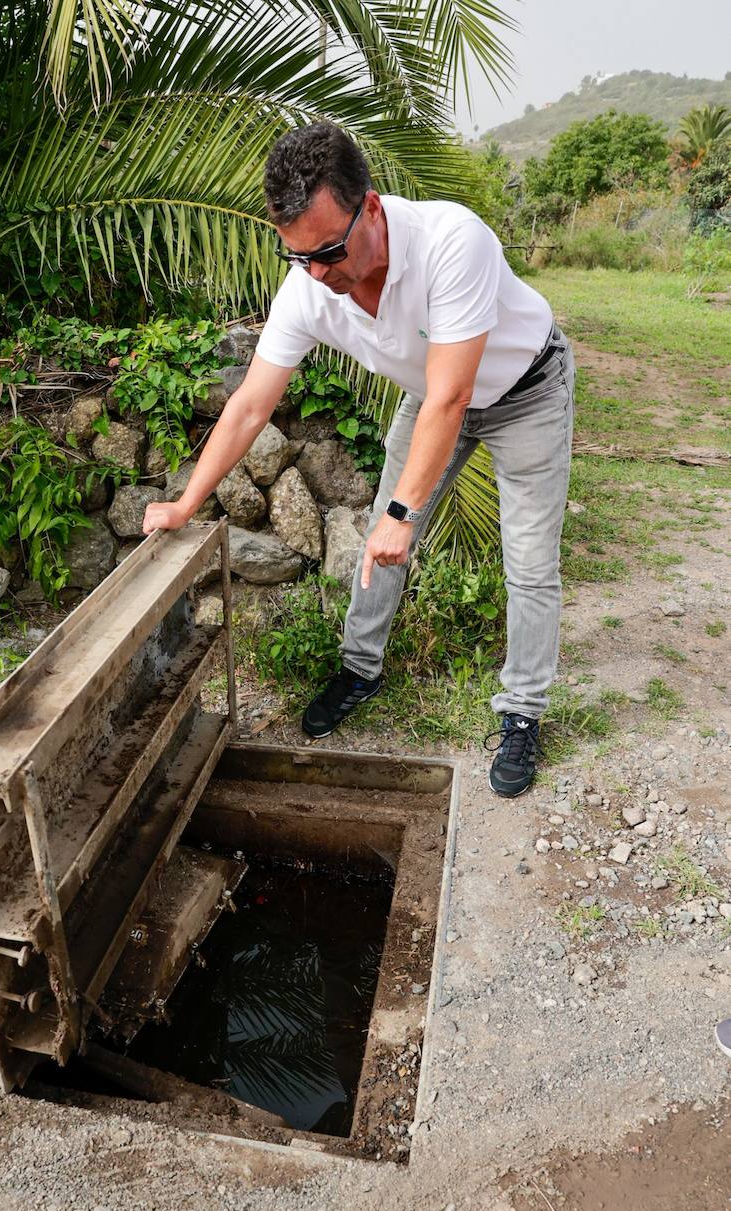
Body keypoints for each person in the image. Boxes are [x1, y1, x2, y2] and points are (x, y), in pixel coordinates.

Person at [143, 122, 575, 798]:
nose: (318, 273)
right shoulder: (310, 284)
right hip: (432, 395)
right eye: (299, 257)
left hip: (527, 389)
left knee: (527, 557)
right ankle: (359, 668)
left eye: (330, 250)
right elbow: (251, 405)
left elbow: (455, 394)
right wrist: (186, 501)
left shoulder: (452, 241)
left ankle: (521, 713)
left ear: (370, 207)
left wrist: (407, 511)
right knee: (380, 533)